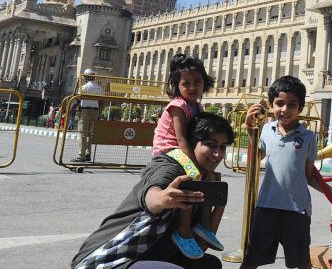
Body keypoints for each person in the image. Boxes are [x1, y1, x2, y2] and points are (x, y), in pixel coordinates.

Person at [70, 112, 232, 269]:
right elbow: (152, 195)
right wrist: (162, 199)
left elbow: (198, 247)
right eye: (210, 145)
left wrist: (218, 207)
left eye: (222, 147)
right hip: (107, 259)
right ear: (191, 143)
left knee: (209, 265)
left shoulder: (203, 180)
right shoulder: (170, 167)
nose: (218, 154)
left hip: (149, 256)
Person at [241, 75, 332, 269]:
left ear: (300, 108)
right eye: (279, 103)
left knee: (301, 261)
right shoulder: (266, 129)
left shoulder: (307, 137)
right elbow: (255, 159)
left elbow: (309, 176)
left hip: (297, 211)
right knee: (252, 258)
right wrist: (251, 130)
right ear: (271, 105)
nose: (285, 109)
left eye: (291, 105)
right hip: (267, 208)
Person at [152, 54, 223, 260]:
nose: (192, 87)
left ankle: (203, 225)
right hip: (167, 149)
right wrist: (195, 166)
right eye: (186, 83)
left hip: (181, 149)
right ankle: (183, 232)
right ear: (177, 86)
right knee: (192, 177)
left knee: (213, 179)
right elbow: (182, 140)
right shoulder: (178, 105)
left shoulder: (197, 107)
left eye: (197, 82)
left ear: (204, 82)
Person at [76, 69, 103, 162]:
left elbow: (78, 100)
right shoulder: (99, 88)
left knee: (82, 134)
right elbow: (101, 101)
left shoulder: (83, 87)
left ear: (86, 77)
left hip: (85, 111)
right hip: (95, 111)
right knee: (91, 134)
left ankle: (81, 156)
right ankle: (88, 154)